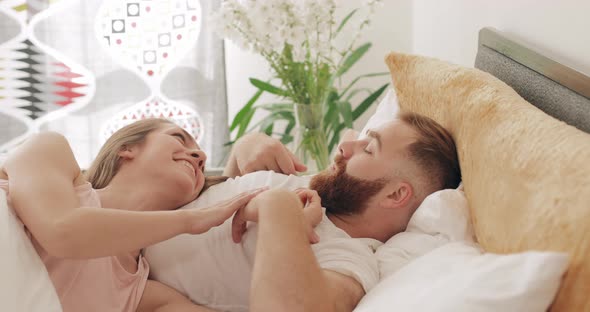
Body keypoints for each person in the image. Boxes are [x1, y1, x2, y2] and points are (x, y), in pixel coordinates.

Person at [146, 112, 461, 312]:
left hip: (124, 288)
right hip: (122, 231)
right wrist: (243, 149)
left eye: (368, 148)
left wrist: (276, 209)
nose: (344, 146)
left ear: (395, 194)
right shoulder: (311, 187)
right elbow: (218, 210)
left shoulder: (349, 258)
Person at [0, 118, 274, 312]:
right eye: (178, 137)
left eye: (202, 162)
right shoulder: (50, 151)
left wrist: (281, 215)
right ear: (126, 148)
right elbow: (63, 232)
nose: (199, 155)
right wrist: (193, 221)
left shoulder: (141, 295)